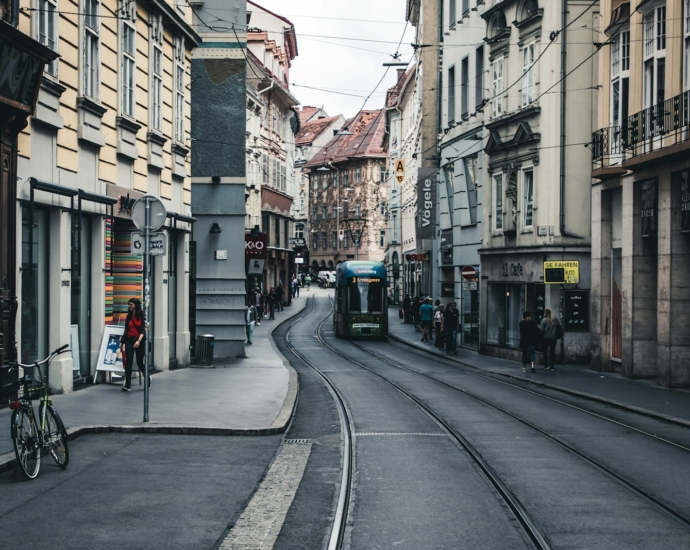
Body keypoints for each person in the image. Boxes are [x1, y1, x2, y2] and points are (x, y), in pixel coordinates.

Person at [119, 298, 149, 391]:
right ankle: (127, 385)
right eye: (129, 304)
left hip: (139, 340)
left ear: (136, 305)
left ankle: (147, 380)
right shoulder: (129, 316)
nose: (130, 306)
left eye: (131, 304)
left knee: (140, 363)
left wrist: (138, 341)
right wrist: (122, 343)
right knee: (129, 362)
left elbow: (143, 330)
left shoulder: (141, 315)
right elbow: (126, 330)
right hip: (129, 340)